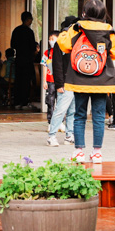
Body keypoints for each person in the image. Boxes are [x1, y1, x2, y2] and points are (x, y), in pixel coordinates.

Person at [55, 0, 115, 165]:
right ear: (103, 14)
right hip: (102, 80)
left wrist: (69, 29)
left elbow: (63, 44)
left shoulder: (77, 28)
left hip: (79, 79)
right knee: (99, 116)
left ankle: (78, 151)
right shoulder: (109, 31)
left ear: (84, 13)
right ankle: (97, 153)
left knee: (79, 115)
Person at [45, 18, 77, 147]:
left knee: (72, 111)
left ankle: (69, 135)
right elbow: (57, 64)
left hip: (74, 82)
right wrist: (59, 84)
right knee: (60, 110)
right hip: (65, 82)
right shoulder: (62, 43)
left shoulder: (75, 42)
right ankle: (51, 135)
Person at [9, 11, 39, 109]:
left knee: (18, 81)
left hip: (18, 59)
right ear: (29, 19)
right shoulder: (29, 32)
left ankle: (17, 102)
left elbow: (12, 45)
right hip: (27, 60)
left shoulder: (16, 30)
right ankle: (24, 103)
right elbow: (33, 48)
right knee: (26, 82)